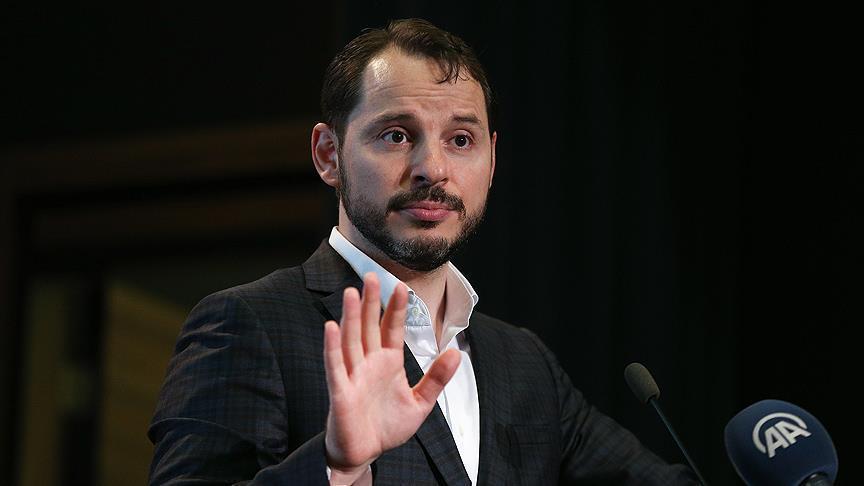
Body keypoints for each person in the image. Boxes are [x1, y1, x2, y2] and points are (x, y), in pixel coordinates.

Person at [148, 18, 698, 485]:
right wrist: (336, 466)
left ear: (492, 161)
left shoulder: (524, 363)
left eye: (460, 140)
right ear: (328, 155)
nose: (433, 169)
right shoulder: (248, 323)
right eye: (396, 134)